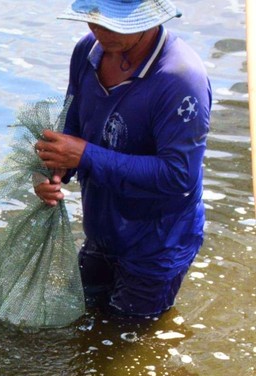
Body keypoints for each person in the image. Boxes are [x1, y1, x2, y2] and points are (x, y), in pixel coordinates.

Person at [34, 0, 211, 318]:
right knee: (81, 320)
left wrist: (85, 154)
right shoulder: (88, 51)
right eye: (93, 20)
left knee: (125, 340)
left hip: (156, 245)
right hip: (102, 230)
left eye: (114, 23)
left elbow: (178, 175)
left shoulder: (179, 79)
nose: (99, 30)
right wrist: (57, 170)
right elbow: (73, 122)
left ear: (148, 19)